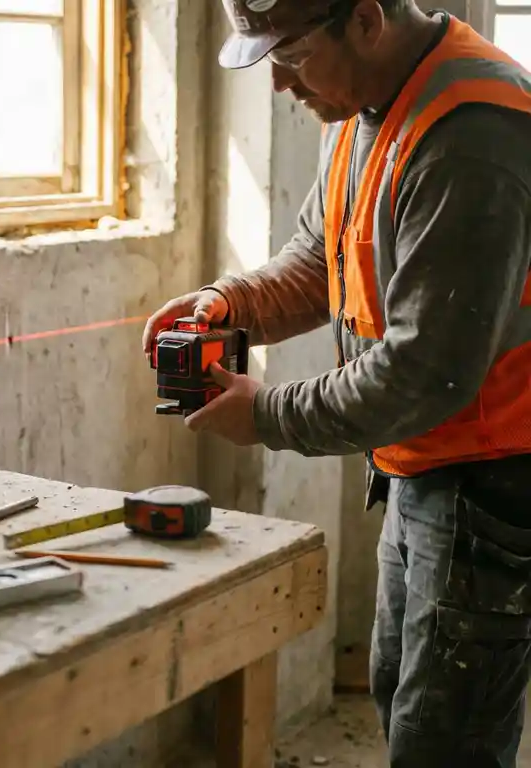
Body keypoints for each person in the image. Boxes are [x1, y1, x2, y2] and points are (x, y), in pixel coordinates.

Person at [141, 1, 531, 765]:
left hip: (493, 487)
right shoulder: (364, 111)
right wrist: (230, 306)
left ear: (365, 20)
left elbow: (428, 370)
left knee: (446, 742)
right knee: (401, 699)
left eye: (289, 57)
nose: (282, 86)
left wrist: (268, 416)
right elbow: (321, 259)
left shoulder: (472, 135)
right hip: (419, 469)